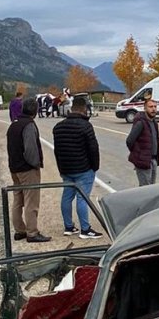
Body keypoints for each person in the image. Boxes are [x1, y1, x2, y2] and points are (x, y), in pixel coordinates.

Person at [52, 96, 102, 238]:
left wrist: (61, 168)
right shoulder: (86, 126)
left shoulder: (58, 127)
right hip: (83, 168)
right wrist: (94, 167)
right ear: (84, 109)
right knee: (82, 198)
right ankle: (85, 229)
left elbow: (57, 150)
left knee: (67, 197)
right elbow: (93, 148)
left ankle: (68, 226)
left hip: (66, 169)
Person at [6, 96, 50, 242]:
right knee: (31, 201)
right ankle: (32, 232)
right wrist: (35, 165)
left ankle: (19, 230)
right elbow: (30, 149)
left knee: (18, 199)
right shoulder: (29, 125)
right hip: (27, 169)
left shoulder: (14, 124)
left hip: (14, 168)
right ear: (35, 111)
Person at [126, 97, 159, 185]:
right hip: (143, 161)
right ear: (145, 108)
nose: (153, 109)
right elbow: (129, 141)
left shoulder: (154, 123)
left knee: (152, 188)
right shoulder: (140, 123)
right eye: (150, 107)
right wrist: (138, 155)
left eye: (155, 107)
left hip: (153, 160)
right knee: (145, 190)